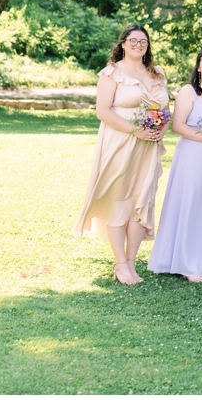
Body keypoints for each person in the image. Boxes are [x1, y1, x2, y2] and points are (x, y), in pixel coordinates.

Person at [74, 24, 169, 286]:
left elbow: (165, 108)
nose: (139, 45)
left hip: (149, 147)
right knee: (118, 198)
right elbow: (103, 111)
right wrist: (135, 131)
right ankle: (120, 263)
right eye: (134, 41)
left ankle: (130, 261)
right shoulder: (111, 73)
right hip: (120, 141)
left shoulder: (157, 74)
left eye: (143, 42)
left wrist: (161, 129)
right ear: (123, 44)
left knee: (142, 199)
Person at [148, 48, 202, 283]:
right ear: (198, 67)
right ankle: (186, 263)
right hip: (193, 155)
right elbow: (178, 125)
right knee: (191, 204)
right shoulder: (189, 91)